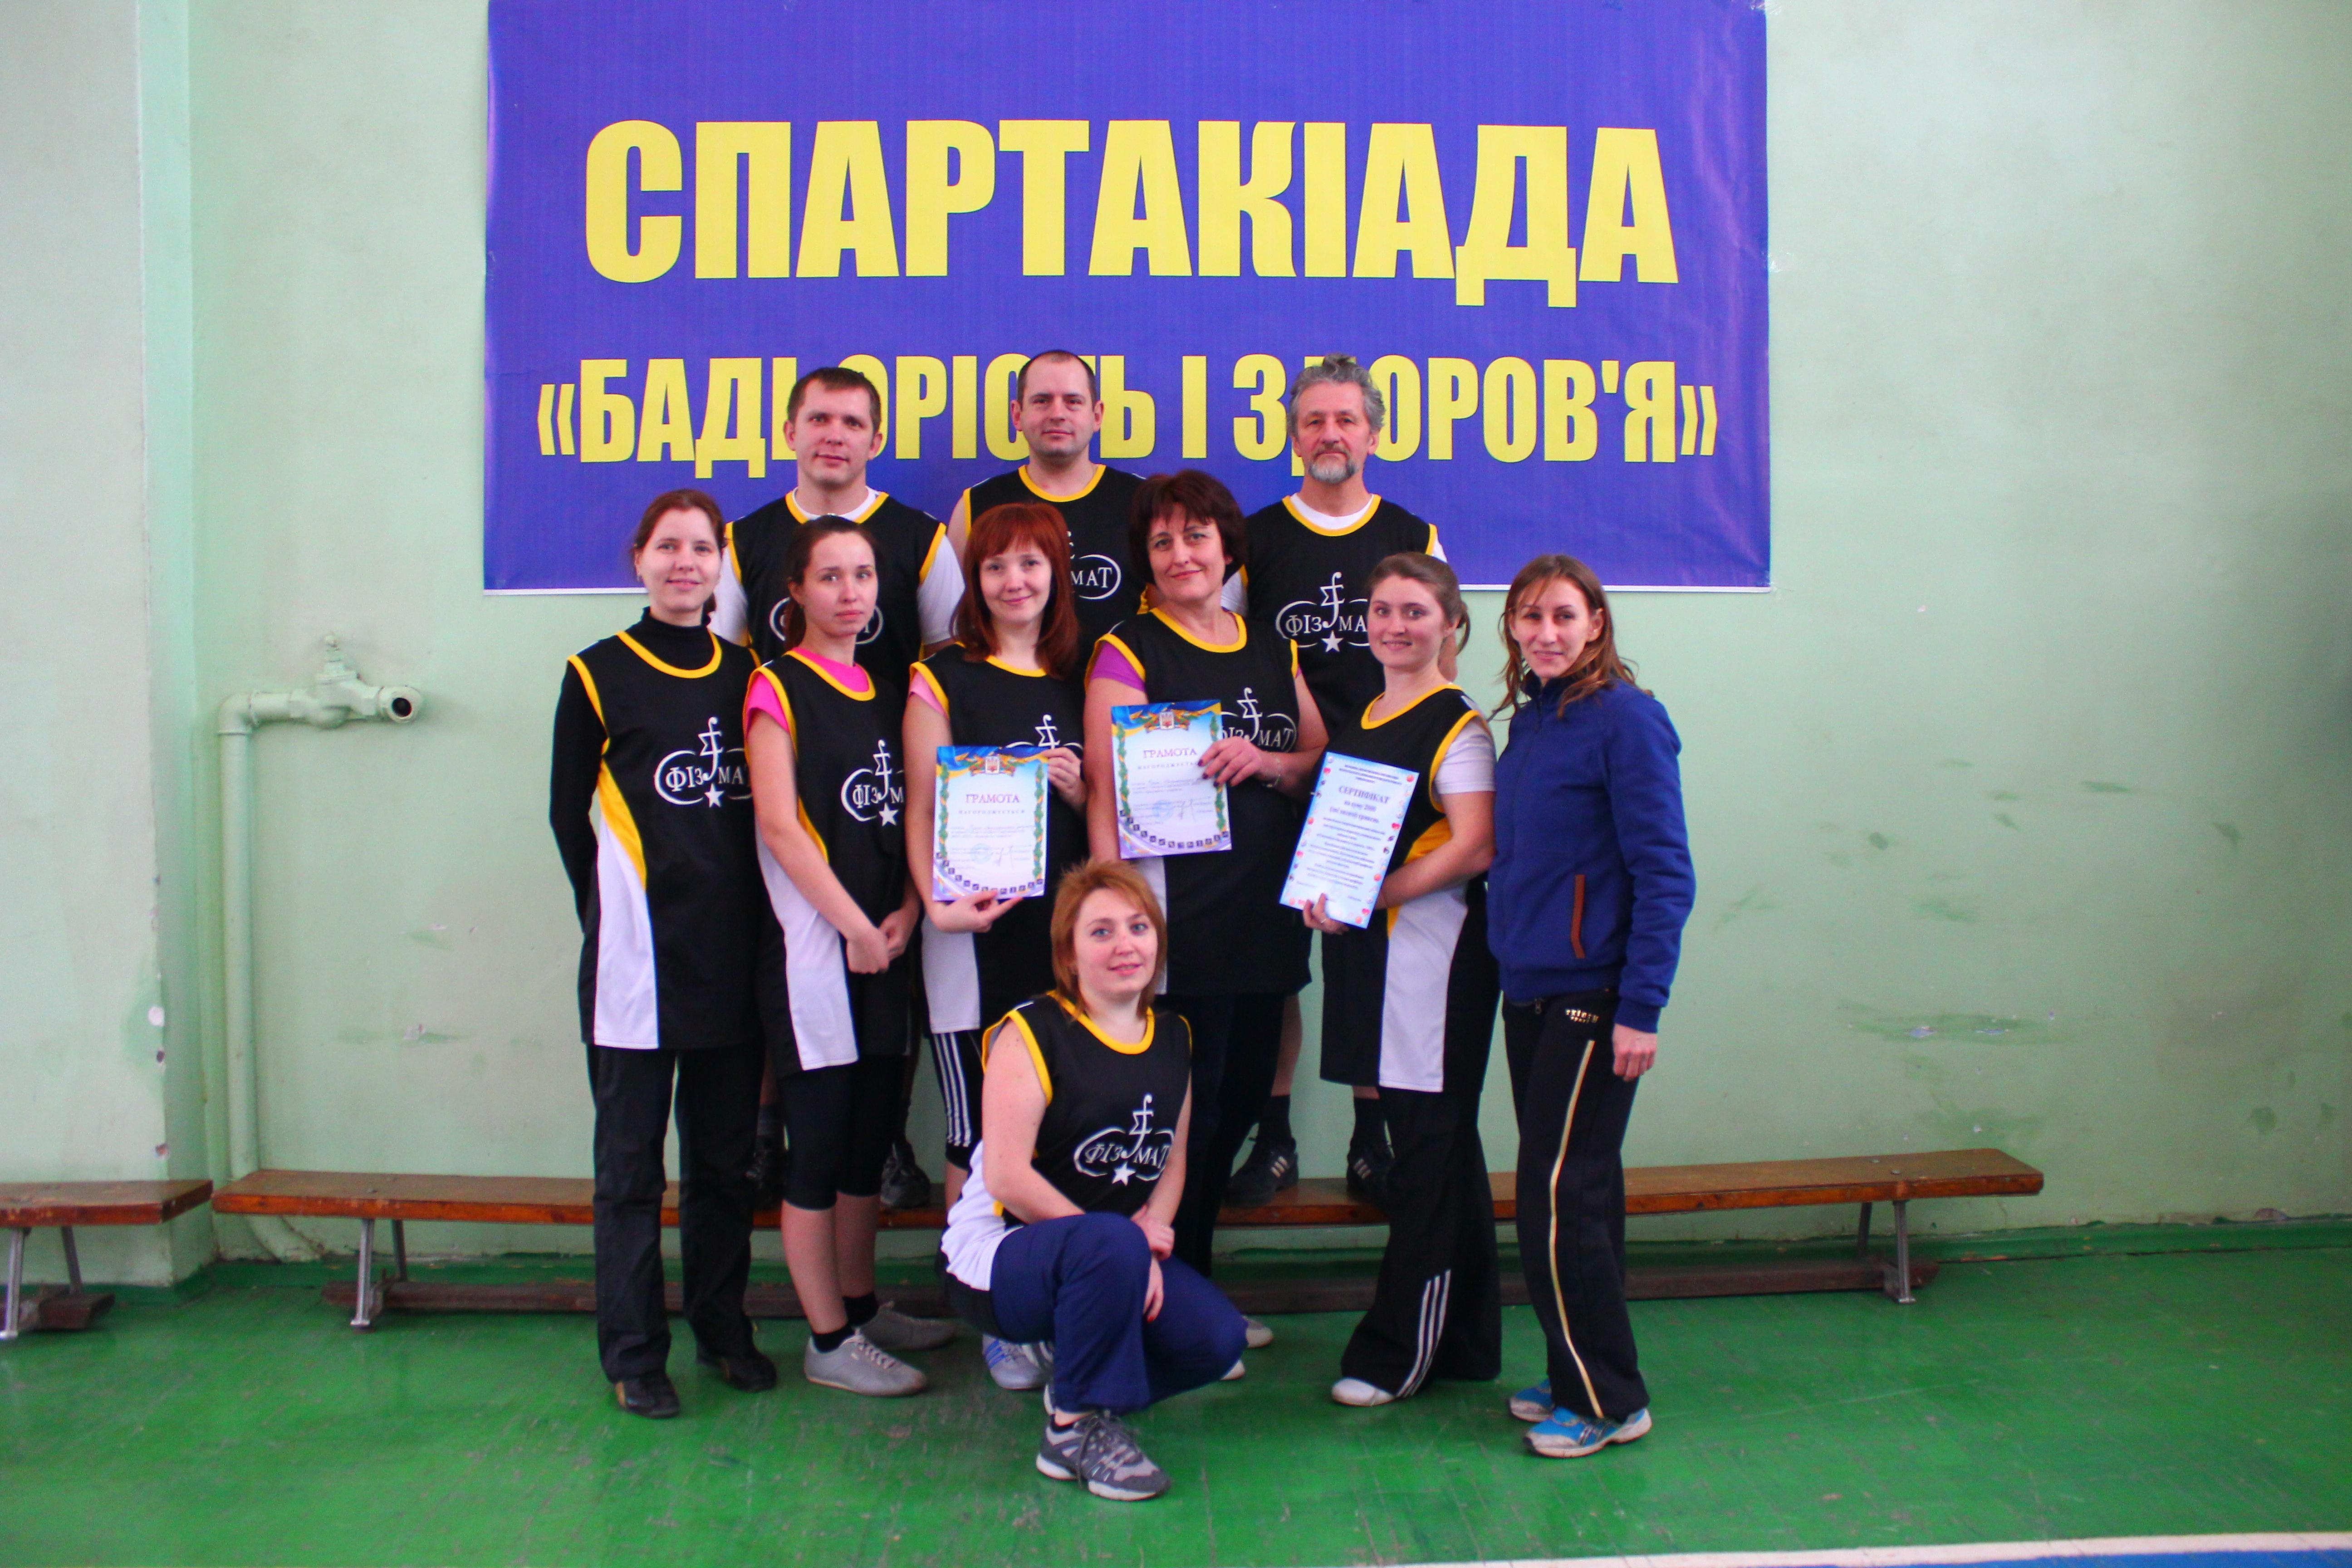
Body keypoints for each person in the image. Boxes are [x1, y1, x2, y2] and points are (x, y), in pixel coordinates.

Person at [713, 364, 963, 1211]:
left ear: (876, 439)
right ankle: (768, 1138)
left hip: (886, 798)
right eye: (818, 418)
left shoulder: (918, 538)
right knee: (789, 976)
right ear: (789, 431)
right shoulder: (746, 539)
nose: (834, 435)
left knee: (889, 991)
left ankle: (884, 1143)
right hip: (790, 799)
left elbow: (947, 659)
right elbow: (719, 664)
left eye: (853, 422)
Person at [548, 489, 774, 1419]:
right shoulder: (596, 672)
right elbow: (567, 818)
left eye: (702, 548)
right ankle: (635, 1354)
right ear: (639, 558)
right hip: (636, 966)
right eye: (668, 546)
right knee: (631, 1173)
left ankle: (722, 1329)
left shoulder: (750, 672)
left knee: (723, 1167)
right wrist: (617, 915)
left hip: (735, 961)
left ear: (721, 564)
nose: (685, 563)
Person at [1085, 470, 1325, 1317]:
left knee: (1239, 1103)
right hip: (1179, 926)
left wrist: (1266, 761)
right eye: (1161, 542)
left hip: (1266, 918)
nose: (1180, 554)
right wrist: (1117, 921)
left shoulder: (1270, 646)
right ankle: (1172, 1295)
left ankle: (1195, 1286)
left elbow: (1316, 761)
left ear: (1228, 547)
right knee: (1184, 1119)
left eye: (1196, 537)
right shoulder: (1127, 648)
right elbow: (1105, 798)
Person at [940, 862, 1249, 1502]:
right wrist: (1126, 1250)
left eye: (1138, 927)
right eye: (1101, 932)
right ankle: (1070, 1434)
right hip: (999, 1259)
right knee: (1108, 1243)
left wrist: (1150, 1241)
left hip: (1107, 1252)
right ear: (1069, 956)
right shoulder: (1031, 1031)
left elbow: (1173, 1160)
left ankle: (1078, 1382)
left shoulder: (1173, 1036)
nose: (1125, 944)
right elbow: (1007, 1177)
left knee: (1216, 1340)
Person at [1226, 355, 1447, 1211]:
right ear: (1292, 434)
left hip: (1381, 791)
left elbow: (1441, 666)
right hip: (1276, 785)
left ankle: (1370, 1141)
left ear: (1373, 432)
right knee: (1276, 969)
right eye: (1313, 420)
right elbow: (1223, 649)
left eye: (1345, 419)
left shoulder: (1413, 534)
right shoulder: (1253, 539)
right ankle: (1274, 1139)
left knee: (1369, 965)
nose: (1329, 434)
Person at [1487, 554, 1695, 1459]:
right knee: (1574, 1192)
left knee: (1559, 1196)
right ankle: (1575, 1367)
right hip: (1529, 990)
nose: (1545, 633)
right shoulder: (1533, 720)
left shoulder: (1627, 720)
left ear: (1596, 624)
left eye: (1563, 616)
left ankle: (1608, 1400)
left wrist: (1639, 1008)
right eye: (1529, 617)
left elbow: (1665, 873)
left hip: (1594, 997)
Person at [744, 515, 954, 1396]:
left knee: (871, 1142)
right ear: (795, 590)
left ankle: (862, 1308)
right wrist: (855, 928)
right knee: (820, 1149)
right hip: (813, 954)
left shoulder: (887, 687)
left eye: (863, 574)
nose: (849, 592)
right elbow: (780, 828)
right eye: (829, 576)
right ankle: (827, 1339)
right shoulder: (773, 686)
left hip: (886, 944)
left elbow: (908, 814)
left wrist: (904, 910)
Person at [1298, 554, 1501, 1407]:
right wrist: (1326, 894)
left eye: (1415, 611)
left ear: (1450, 623)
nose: (1394, 625)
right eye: (1382, 610)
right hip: (1370, 955)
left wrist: (1376, 894)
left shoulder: (1459, 727)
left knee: (1425, 1154)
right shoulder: (1372, 713)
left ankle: (1397, 1353)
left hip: (1433, 961)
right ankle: (1466, 1343)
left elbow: (1475, 845)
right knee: (1442, 1147)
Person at [905, 500, 1089, 1392]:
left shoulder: (1079, 678)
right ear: (973, 581)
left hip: (1059, 943)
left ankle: (1038, 1300)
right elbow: (920, 806)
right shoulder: (941, 677)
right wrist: (939, 907)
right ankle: (986, 1314)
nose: (1014, 581)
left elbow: (1110, 815)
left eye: (1031, 564)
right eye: (995, 566)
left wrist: (1082, 789)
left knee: (1049, 1128)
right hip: (970, 942)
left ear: (1056, 576)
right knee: (976, 1135)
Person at [947, 351, 1146, 650]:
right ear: (1017, 414)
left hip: (1121, 678)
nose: (1058, 414)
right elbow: (956, 628)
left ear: (1097, 415)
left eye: (1073, 401)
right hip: (1009, 680)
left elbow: (1171, 621)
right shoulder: (976, 506)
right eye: (1042, 401)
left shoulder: (1142, 502)